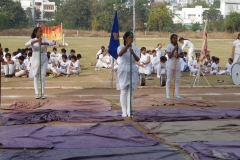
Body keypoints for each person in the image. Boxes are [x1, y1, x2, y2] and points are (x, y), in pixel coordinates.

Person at [25, 27, 54, 99]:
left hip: (43, 58)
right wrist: (36, 41)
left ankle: (42, 93)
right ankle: (37, 93)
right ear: (35, 33)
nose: (40, 33)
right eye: (39, 31)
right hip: (35, 58)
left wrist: (43, 43)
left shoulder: (44, 39)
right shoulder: (33, 40)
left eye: (41, 31)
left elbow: (52, 43)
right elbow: (26, 44)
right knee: (36, 76)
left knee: (43, 76)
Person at [117, 31, 140, 117]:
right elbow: (120, 54)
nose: (131, 39)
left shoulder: (135, 48)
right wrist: (127, 46)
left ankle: (129, 110)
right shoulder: (120, 47)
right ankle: (123, 111)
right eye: (129, 37)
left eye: (132, 37)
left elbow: (137, 59)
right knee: (123, 91)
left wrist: (133, 52)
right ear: (125, 38)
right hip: (123, 69)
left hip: (132, 69)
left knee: (131, 91)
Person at [166, 34, 183, 99]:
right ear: (171, 39)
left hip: (177, 64)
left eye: (176, 38)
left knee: (177, 80)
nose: (175, 39)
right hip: (170, 65)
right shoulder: (169, 46)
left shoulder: (179, 47)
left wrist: (179, 55)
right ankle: (167, 94)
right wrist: (174, 49)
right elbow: (169, 56)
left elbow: (182, 54)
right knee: (169, 79)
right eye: (174, 38)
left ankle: (177, 93)